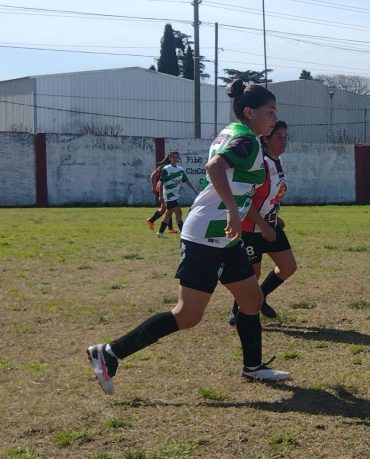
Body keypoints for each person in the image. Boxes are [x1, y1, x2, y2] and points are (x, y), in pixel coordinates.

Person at [86, 79, 291, 395]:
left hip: (223, 237)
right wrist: (233, 211)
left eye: (275, 112)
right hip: (206, 236)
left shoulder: (233, 132)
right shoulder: (247, 140)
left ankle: (253, 367)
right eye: (270, 112)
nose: (274, 119)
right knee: (187, 315)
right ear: (249, 112)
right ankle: (109, 353)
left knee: (252, 299)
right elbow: (214, 167)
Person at [228, 121, 296, 325]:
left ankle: (261, 296)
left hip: (270, 225)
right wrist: (264, 226)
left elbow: (270, 196)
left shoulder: (277, 161)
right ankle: (237, 310)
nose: (284, 141)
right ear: (266, 139)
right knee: (252, 275)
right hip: (251, 229)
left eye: (285, 137)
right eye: (279, 137)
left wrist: (274, 217)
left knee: (288, 267)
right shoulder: (260, 164)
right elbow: (246, 200)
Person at [156, 151, 198, 239]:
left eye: (177, 157)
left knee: (168, 214)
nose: (175, 159)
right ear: (170, 158)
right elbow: (161, 183)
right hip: (169, 195)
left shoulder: (180, 170)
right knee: (179, 212)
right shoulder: (166, 169)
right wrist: (160, 196)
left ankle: (160, 232)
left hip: (176, 195)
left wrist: (194, 189)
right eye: (174, 157)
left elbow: (186, 180)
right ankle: (183, 233)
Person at [145, 159, 167, 231]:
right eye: (174, 157)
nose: (176, 159)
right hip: (163, 188)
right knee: (168, 207)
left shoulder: (174, 167)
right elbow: (153, 175)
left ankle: (151, 220)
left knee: (165, 208)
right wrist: (153, 187)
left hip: (169, 189)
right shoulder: (163, 167)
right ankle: (151, 221)